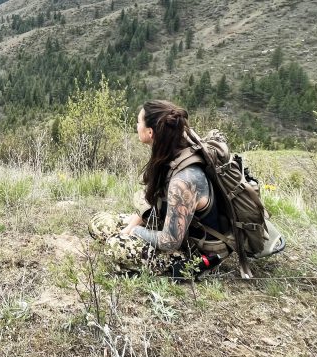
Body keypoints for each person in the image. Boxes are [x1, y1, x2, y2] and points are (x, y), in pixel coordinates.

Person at [89, 99, 231, 277]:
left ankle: (186, 267)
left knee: (115, 246)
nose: (136, 125)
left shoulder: (184, 181)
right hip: (169, 227)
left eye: (139, 121)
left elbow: (170, 242)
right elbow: (154, 204)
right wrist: (130, 226)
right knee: (100, 222)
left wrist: (134, 231)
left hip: (193, 249)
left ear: (150, 132)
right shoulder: (169, 154)